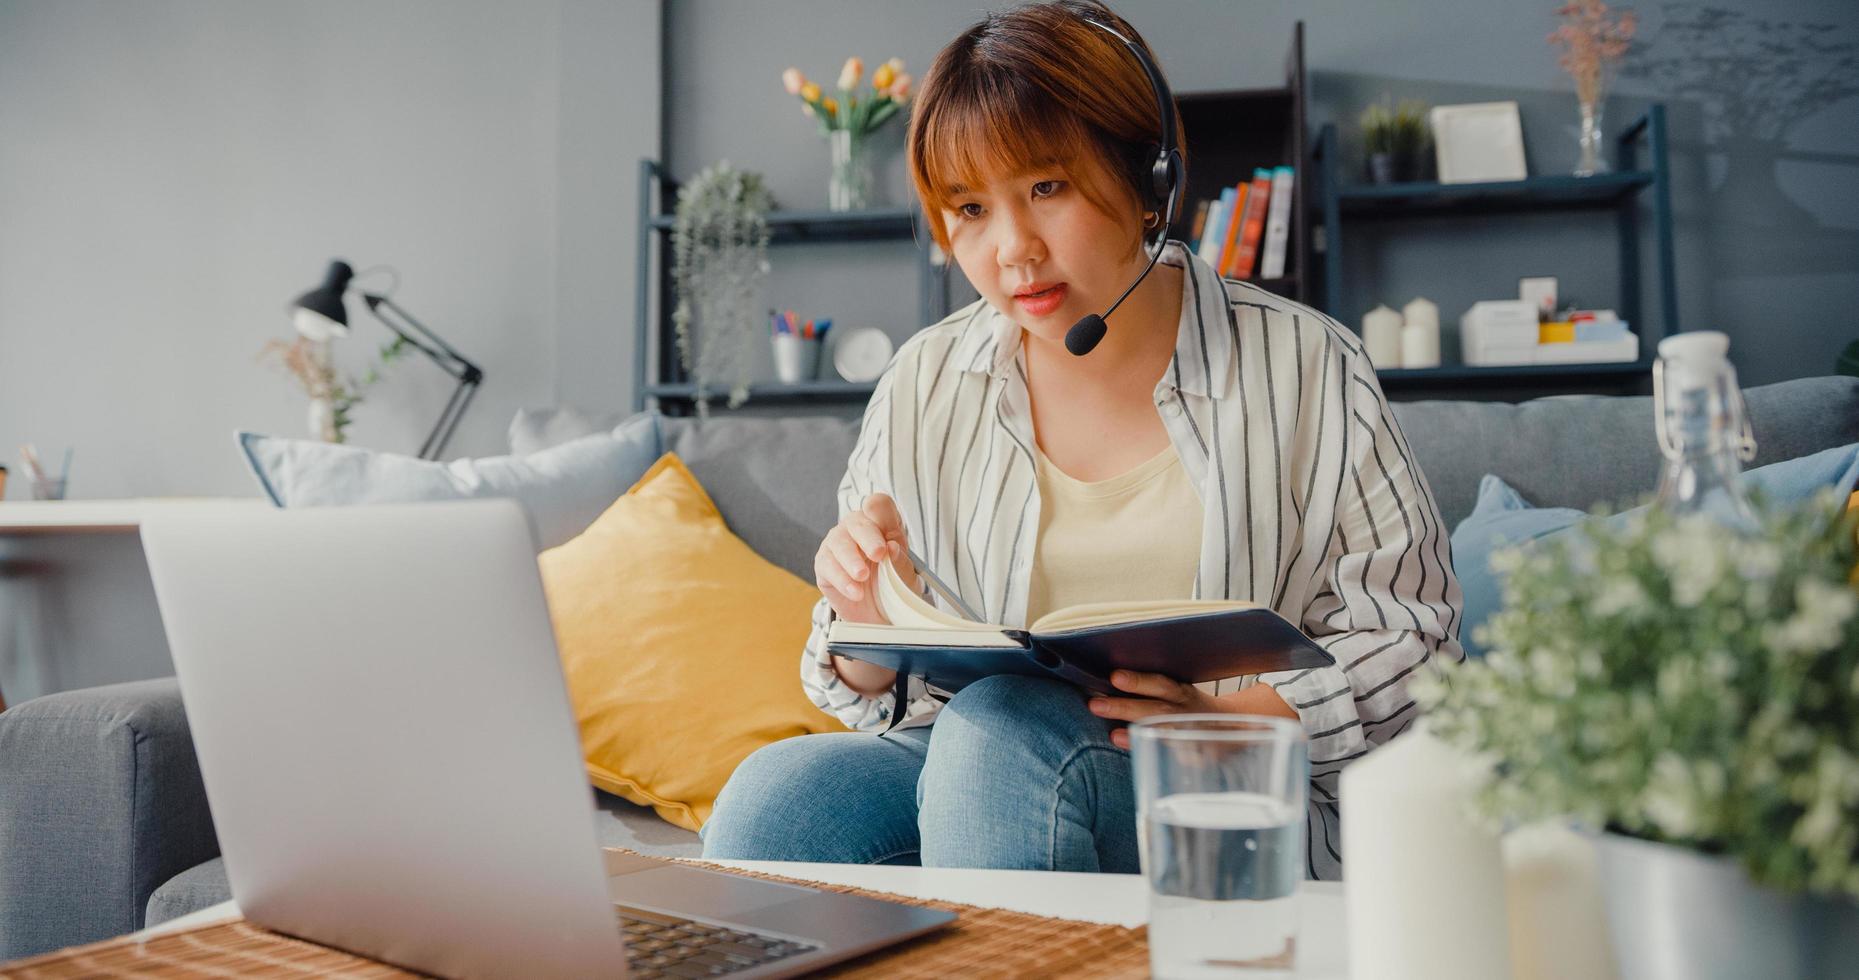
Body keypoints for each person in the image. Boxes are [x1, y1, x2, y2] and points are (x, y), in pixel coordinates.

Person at [702, 0, 1461, 879]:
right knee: (775, 799)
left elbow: (1415, 646)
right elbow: (866, 696)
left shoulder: (1307, 363)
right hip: (973, 771)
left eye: (1046, 189)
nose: (1012, 249)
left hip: (1223, 783)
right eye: (970, 208)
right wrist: (868, 618)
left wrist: (1235, 720)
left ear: (1149, 179)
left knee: (998, 739)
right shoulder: (923, 379)